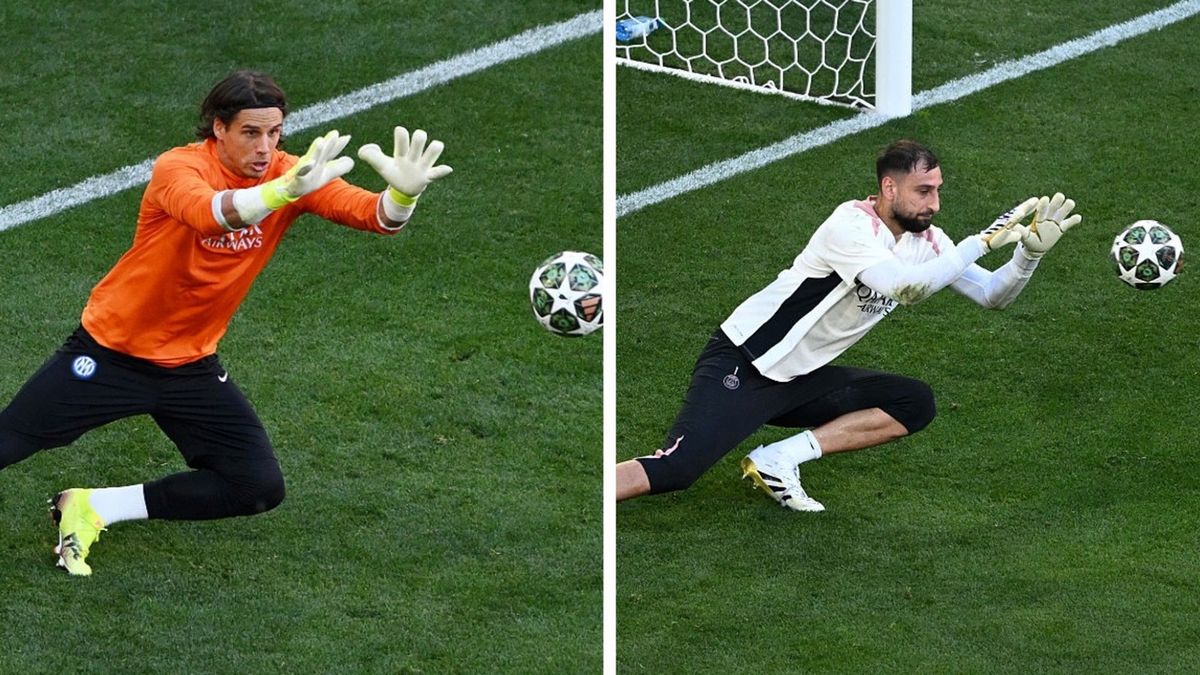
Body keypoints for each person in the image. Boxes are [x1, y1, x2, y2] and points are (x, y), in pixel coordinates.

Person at [0, 70, 452, 575]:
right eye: (250, 133)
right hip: (110, 353)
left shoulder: (291, 174)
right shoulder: (179, 168)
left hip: (190, 367)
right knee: (9, 441)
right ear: (219, 128)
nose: (265, 147)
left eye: (275, 133)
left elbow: (374, 217)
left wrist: (402, 197)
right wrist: (283, 191)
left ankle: (94, 506)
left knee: (256, 486)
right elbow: (211, 214)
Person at [616, 139, 1080, 511]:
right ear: (889, 188)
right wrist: (981, 242)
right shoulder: (850, 228)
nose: (935, 204)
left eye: (938, 190)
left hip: (801, 379)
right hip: (746, 364)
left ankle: (779, 458)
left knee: (913, 402)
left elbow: (992, 295)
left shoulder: (927, 241)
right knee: (677, 471)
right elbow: (905, 288)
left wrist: (1028, 256)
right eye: (924, 191)